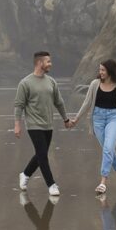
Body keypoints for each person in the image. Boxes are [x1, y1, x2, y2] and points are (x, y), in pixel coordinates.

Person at [71, 58, 116, 194]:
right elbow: (87, 103)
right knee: (108, 150)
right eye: (100, 70)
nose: (100, 72)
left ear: (110, 71)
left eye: (103, 70)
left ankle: (103, 182)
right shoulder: (94, 84)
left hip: (113, 119)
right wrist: (76, 119)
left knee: (108, 148)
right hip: (97, 119)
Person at [14, 51, 72, 197]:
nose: (50, 64)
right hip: (33, 125)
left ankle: (25, 174)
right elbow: (19, 105)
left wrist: (66, 119)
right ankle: (51, 184)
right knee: (42, 155)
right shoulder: (25, 83)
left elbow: (59, 102)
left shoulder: (51, 81)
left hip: (48, 124)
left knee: (41, 154)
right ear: (39, 63)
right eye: (48, 62)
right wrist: (17, 124)